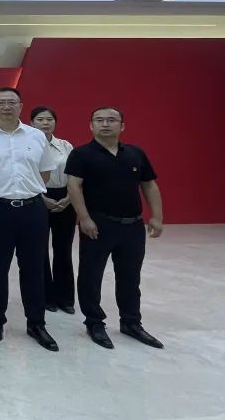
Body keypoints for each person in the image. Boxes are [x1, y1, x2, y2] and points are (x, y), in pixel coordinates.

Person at [0, 87, 59, 351]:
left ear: (21, 106)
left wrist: (28, 190)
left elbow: (44, 173)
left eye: (12, 102)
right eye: (1, 102)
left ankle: (36, 323)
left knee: (34, 268)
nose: (6, 107)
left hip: (32, 209)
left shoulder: (36, 136)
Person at [67, 107, 165, 350]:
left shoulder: (135, 153)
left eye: (111, 120)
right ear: (91, 125)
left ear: (122, 126)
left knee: (130, 277)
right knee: (91, 276)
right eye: (99, 120)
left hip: (133, 226)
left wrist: (157, 216)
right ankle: (94, 322)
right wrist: (84, 218)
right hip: (98, 224)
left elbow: (149, 185)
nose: (105, 124)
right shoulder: (81, 154)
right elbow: (74, 186)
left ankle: (131, 322)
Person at [30, 106, 76, 314]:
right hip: (37, 196)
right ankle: (46, 296)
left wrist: (69, 198)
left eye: (49, 119)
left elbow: (75, 175)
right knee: (39, 250)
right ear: (32, 122)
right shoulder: (27, 146)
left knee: (63, 249)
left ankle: (65, 298)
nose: (45, 123)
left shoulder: (66, 145)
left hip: (66, 197)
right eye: (40, 119)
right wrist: (42, 198)